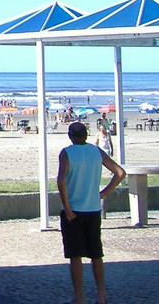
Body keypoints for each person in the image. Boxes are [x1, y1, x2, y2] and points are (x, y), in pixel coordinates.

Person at [57, 121, 126, 304]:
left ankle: (79, 297)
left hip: (73, 210)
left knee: (75, 255)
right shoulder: (96, 152)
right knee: (96, 254)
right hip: (93, 208)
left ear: (70, 135)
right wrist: (104, 193)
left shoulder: (67, 153)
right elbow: (119, 172)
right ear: (86, 135)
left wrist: (67, 206)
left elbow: (61, 181)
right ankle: (101, 296)